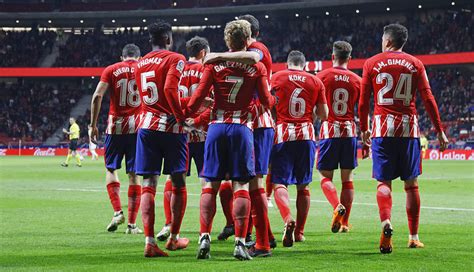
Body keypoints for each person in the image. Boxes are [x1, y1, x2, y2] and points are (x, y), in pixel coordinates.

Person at [184, 19, 276, 260]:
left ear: (227, 40)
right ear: (248, 40)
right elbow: (267, 102)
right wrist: (272, 100)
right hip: (242, 128)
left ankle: (204, 237)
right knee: (242, 185)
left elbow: (195, 100)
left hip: (215, 128)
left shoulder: (212, 65)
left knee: (210, 184)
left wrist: (183, 115)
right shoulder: (257, 67)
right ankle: (239, 242)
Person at [358, 23, 449, 254]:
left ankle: (386, 223)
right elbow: (428, 97)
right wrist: (439, 130)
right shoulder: (416, 63)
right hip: (409, 131)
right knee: (411, 185)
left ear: (387, 41)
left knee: (383, 183)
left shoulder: (371, 63)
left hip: (382, 131)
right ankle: (413, 237)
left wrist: (364, 129)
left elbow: (363, 101)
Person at [134, 19, 190, 257]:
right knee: (178, 182)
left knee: (148, 184)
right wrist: (181, 117)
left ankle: (149, 242)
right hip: (170, 127)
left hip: (146, 127)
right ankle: (174, 239)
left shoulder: (140, 62)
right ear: (168, 38)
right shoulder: (176, 58)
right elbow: (169, 90)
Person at [270, 50, 328, 247]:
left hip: (282, 134)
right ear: (304, 65)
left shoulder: (276, 77)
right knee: (303, 186)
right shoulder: (315, 81)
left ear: (288, 63)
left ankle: (287, 219)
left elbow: (267, 104)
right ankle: (300, 232)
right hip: (306, 135)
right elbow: (324, 114)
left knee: (279, 184)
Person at [156, 36, 211, 242]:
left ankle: (168, 224)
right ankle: (204, 232)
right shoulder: (206, 70)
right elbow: (211, 102)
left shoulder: (175, 68)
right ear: (204, 52)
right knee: (208, 181)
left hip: (179, 134)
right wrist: (195, 121)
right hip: (203, 134)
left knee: (173, 180)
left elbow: (167, 96)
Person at [89, 44, 143, 235]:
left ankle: (117, 212)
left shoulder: (111, 69)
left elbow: (97, 96)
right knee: (134, 174)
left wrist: (93, 125)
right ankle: (132, 225)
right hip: (137, 128)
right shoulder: (144, 67)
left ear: (122, 57)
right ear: (138, 56)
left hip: (115, 127)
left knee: (111, 168)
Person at [315, 41, 362, 233]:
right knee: (347, 179)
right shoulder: (357, 80)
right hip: (349, 131)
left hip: (329, 131)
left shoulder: (321, 77)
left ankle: (336, 206)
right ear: (349, 59)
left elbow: (316, 108)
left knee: (324, 176)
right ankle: (344, 223)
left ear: (332, 56)